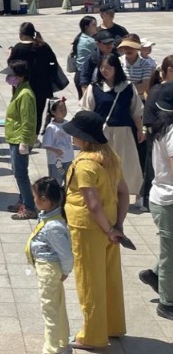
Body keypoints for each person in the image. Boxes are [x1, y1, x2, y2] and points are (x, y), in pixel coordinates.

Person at [62, 110, 128, 349]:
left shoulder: (85, 165)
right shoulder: (110, 158)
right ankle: (112, 325)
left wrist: (108, 228)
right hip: (109, 226)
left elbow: (92, 204)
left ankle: (92, 335)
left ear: (84, 137)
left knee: (90, 282)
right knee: (110, 278)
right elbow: (123, 193)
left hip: (88, 229)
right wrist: (117, 226)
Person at [81, 52, 145, 207]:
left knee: (126, 166)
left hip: (123, 133)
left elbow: (135, 111)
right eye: (102, 67)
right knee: (101, 166)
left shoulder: (128, 88)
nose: (104, 70)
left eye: (108, 67)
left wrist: (140, 130)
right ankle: (103, 195)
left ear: (116, 68)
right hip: (102, 134)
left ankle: (131, 195)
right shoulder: (94, 87)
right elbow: (87, 110)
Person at [27, 177, 73, 354]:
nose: (34, 200)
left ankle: (52, 348)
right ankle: (61, 340)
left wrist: (65, 271)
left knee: (49, 309)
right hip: (47, 268)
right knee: (57, 306)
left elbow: (66, 254)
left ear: (44, 200)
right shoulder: (48, 216)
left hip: (49, 269)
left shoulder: (53, 226)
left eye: (34, 196)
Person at [142, 83, 173, 320]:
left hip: (162, 196)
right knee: (170, 253)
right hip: (168, 200)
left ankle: (155, 274)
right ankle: (167, 303)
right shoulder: (172, 131)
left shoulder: (162, 127)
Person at [7, 22, 59, 136]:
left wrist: (9, 54)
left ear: (22, 34)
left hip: (22, 86)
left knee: (22, 111)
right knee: (38, 112)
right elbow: (53, 61)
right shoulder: (43, 46)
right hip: (41, 86)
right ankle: (35, 138)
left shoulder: (17, 48)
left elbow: (11, 65)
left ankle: (23, 134)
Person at [4, 60, 38, 220]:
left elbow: (28, 120)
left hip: (20, 139)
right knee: (18, 172)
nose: (10, 77)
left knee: (21, 174)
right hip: (14, 137)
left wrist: (24, 141)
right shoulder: (20, 90)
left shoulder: (25, 94)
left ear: (21, 76)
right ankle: (22, 200)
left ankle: (30, 207)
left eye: (12, 74)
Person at [41, 98, 73, 186]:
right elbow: (46, 145)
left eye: (65, 109)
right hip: (56, 162)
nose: (64, 111)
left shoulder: (68, 124)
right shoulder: (51, 127)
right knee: (56, 183)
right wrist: (55, 150)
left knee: (69, 182)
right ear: (53, 112)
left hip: (68, 159)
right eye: (61, 109)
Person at [71, 16, 98, 99]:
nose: (96, 27)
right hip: (86, 75)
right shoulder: (90, 41)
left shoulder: (80, 37)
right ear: (86, 27)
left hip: (79, 74)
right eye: (94, 25)